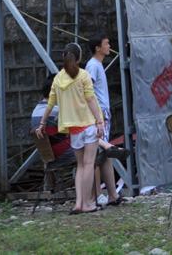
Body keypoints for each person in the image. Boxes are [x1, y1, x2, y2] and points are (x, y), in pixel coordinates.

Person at [36, 41, 107, 213]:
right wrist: (100, 121)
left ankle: (78, 203)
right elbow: (91, 99)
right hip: (88, 125)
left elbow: (50, 103)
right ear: (80, 57)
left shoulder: (58, 78)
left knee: (81, 165)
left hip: (73, 129)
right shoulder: (83, 75)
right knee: (89, 164)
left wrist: (42, 123)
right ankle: (88, 203)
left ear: (63, 57)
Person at [86, 34, 121, 207]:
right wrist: (97, 116)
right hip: (99, 114)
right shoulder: (93, 65)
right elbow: (88, 90)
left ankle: (112, 194)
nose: (109, 46)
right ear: (98, 48)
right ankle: (98, 194)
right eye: (106, 43)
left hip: (103, 112)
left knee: (105, 152)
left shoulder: (97, 65)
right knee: (99, 153)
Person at [30, 78, 74, 165]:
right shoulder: (55, 111)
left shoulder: (36, 110)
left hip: (48, 155)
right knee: (98, 149)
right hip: (63, 153)